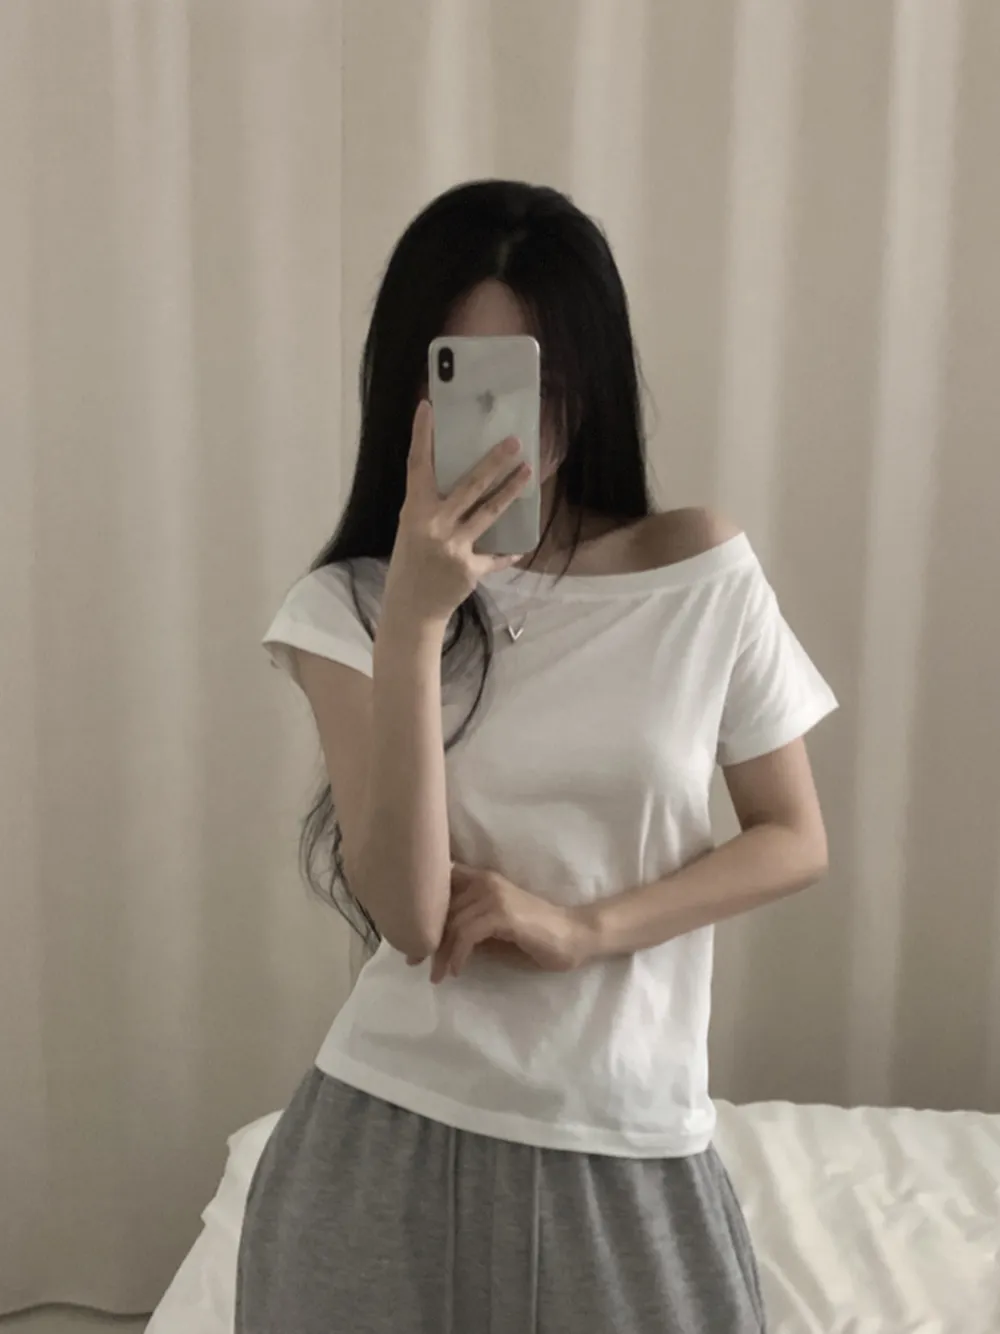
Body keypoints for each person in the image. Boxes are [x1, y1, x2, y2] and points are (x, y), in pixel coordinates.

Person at [235, 179, 837, 1334]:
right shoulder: (346, 608)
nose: (520, 421)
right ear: (413, 390)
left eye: (546, 380)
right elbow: (411, 914)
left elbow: (793, 834)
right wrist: (416, 620)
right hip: (384, 1139)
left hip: (631, 1135)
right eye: (473, 378)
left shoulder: (696, 571)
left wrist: (584, 927)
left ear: (594, 381)